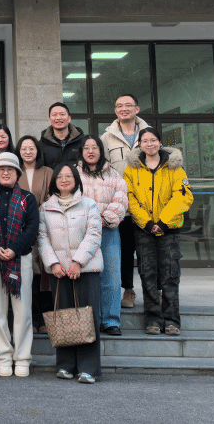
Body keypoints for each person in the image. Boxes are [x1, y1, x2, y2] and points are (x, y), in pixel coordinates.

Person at [123, 127, 193, 336]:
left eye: (153, 140)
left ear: (160, 142)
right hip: (143, 231)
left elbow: (183, 196)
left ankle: (172, 321)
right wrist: (146, 223)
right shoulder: (131, 169)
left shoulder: (174, 167)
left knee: (170, 275)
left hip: (169, 230)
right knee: (148, 274)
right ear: (140, 145)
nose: (150, 144)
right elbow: (129, 197)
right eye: (145, 141)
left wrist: (163, 222)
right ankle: (153, 319)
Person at [38, 164, 103, 384]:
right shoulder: (46, 208)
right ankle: (65, 365)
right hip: (59, 272)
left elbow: (94, 234)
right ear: (54, 181)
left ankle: (88, 368)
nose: (64, 180)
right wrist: (53, 263)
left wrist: (78, 262)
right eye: (60, 177)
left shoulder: (89, 204)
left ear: (76, 179)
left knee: (87, 318)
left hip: (86, 269)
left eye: (69, 176)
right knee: (64, 318)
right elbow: (42, 238)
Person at [0, 152, 39, 377]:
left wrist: (14, 248)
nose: (5, 173)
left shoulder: (27, 198)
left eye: (10, 169)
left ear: (17, 173)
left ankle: (22, 357)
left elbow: (32, 228)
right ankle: (3, 356)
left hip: (21, 258)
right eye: (1, 169)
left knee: (23, 312)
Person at [101, 93, 150, 310]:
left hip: (147, 205)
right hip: (122, 206)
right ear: (115, 111)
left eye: (128, 105)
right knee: (125, 251)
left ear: (137, 109)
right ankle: (128, 289)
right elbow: (104, 170)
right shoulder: (107, 138)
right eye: (119, 105)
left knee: (148, 252)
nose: (124, 109)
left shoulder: (148, 134)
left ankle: (154, 291)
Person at [76, 135, 128, 336]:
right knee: (88, 277)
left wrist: (104, 220)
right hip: (83, 233)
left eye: (94, 147)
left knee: (111, 277)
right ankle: (92, 320)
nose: (90, 151)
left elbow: (121, 200)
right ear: (81, 151)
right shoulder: (74, 173)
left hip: (108, 231)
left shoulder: (114, 174)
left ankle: (111, 320)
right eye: (86, 148)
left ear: (101, 150)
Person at [16, 134, 53, 333]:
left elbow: (51, 197)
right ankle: (32, 318)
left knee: (45, 274)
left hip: (45, 228)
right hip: (21, 230)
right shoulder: (14, 172)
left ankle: (45, 320)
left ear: (37, 151)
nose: (28, 152)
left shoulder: (47, 172)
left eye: (31, 148)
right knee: (29, 275)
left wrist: (35, 212)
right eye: (24, 148)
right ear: (18, 151)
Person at [39, 102, 84, 170]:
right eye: (54, 115)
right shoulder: (41, 145)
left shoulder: (83, 142)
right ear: (50, 119)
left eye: (62, 114)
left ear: (69, 118)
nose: (58, 118)